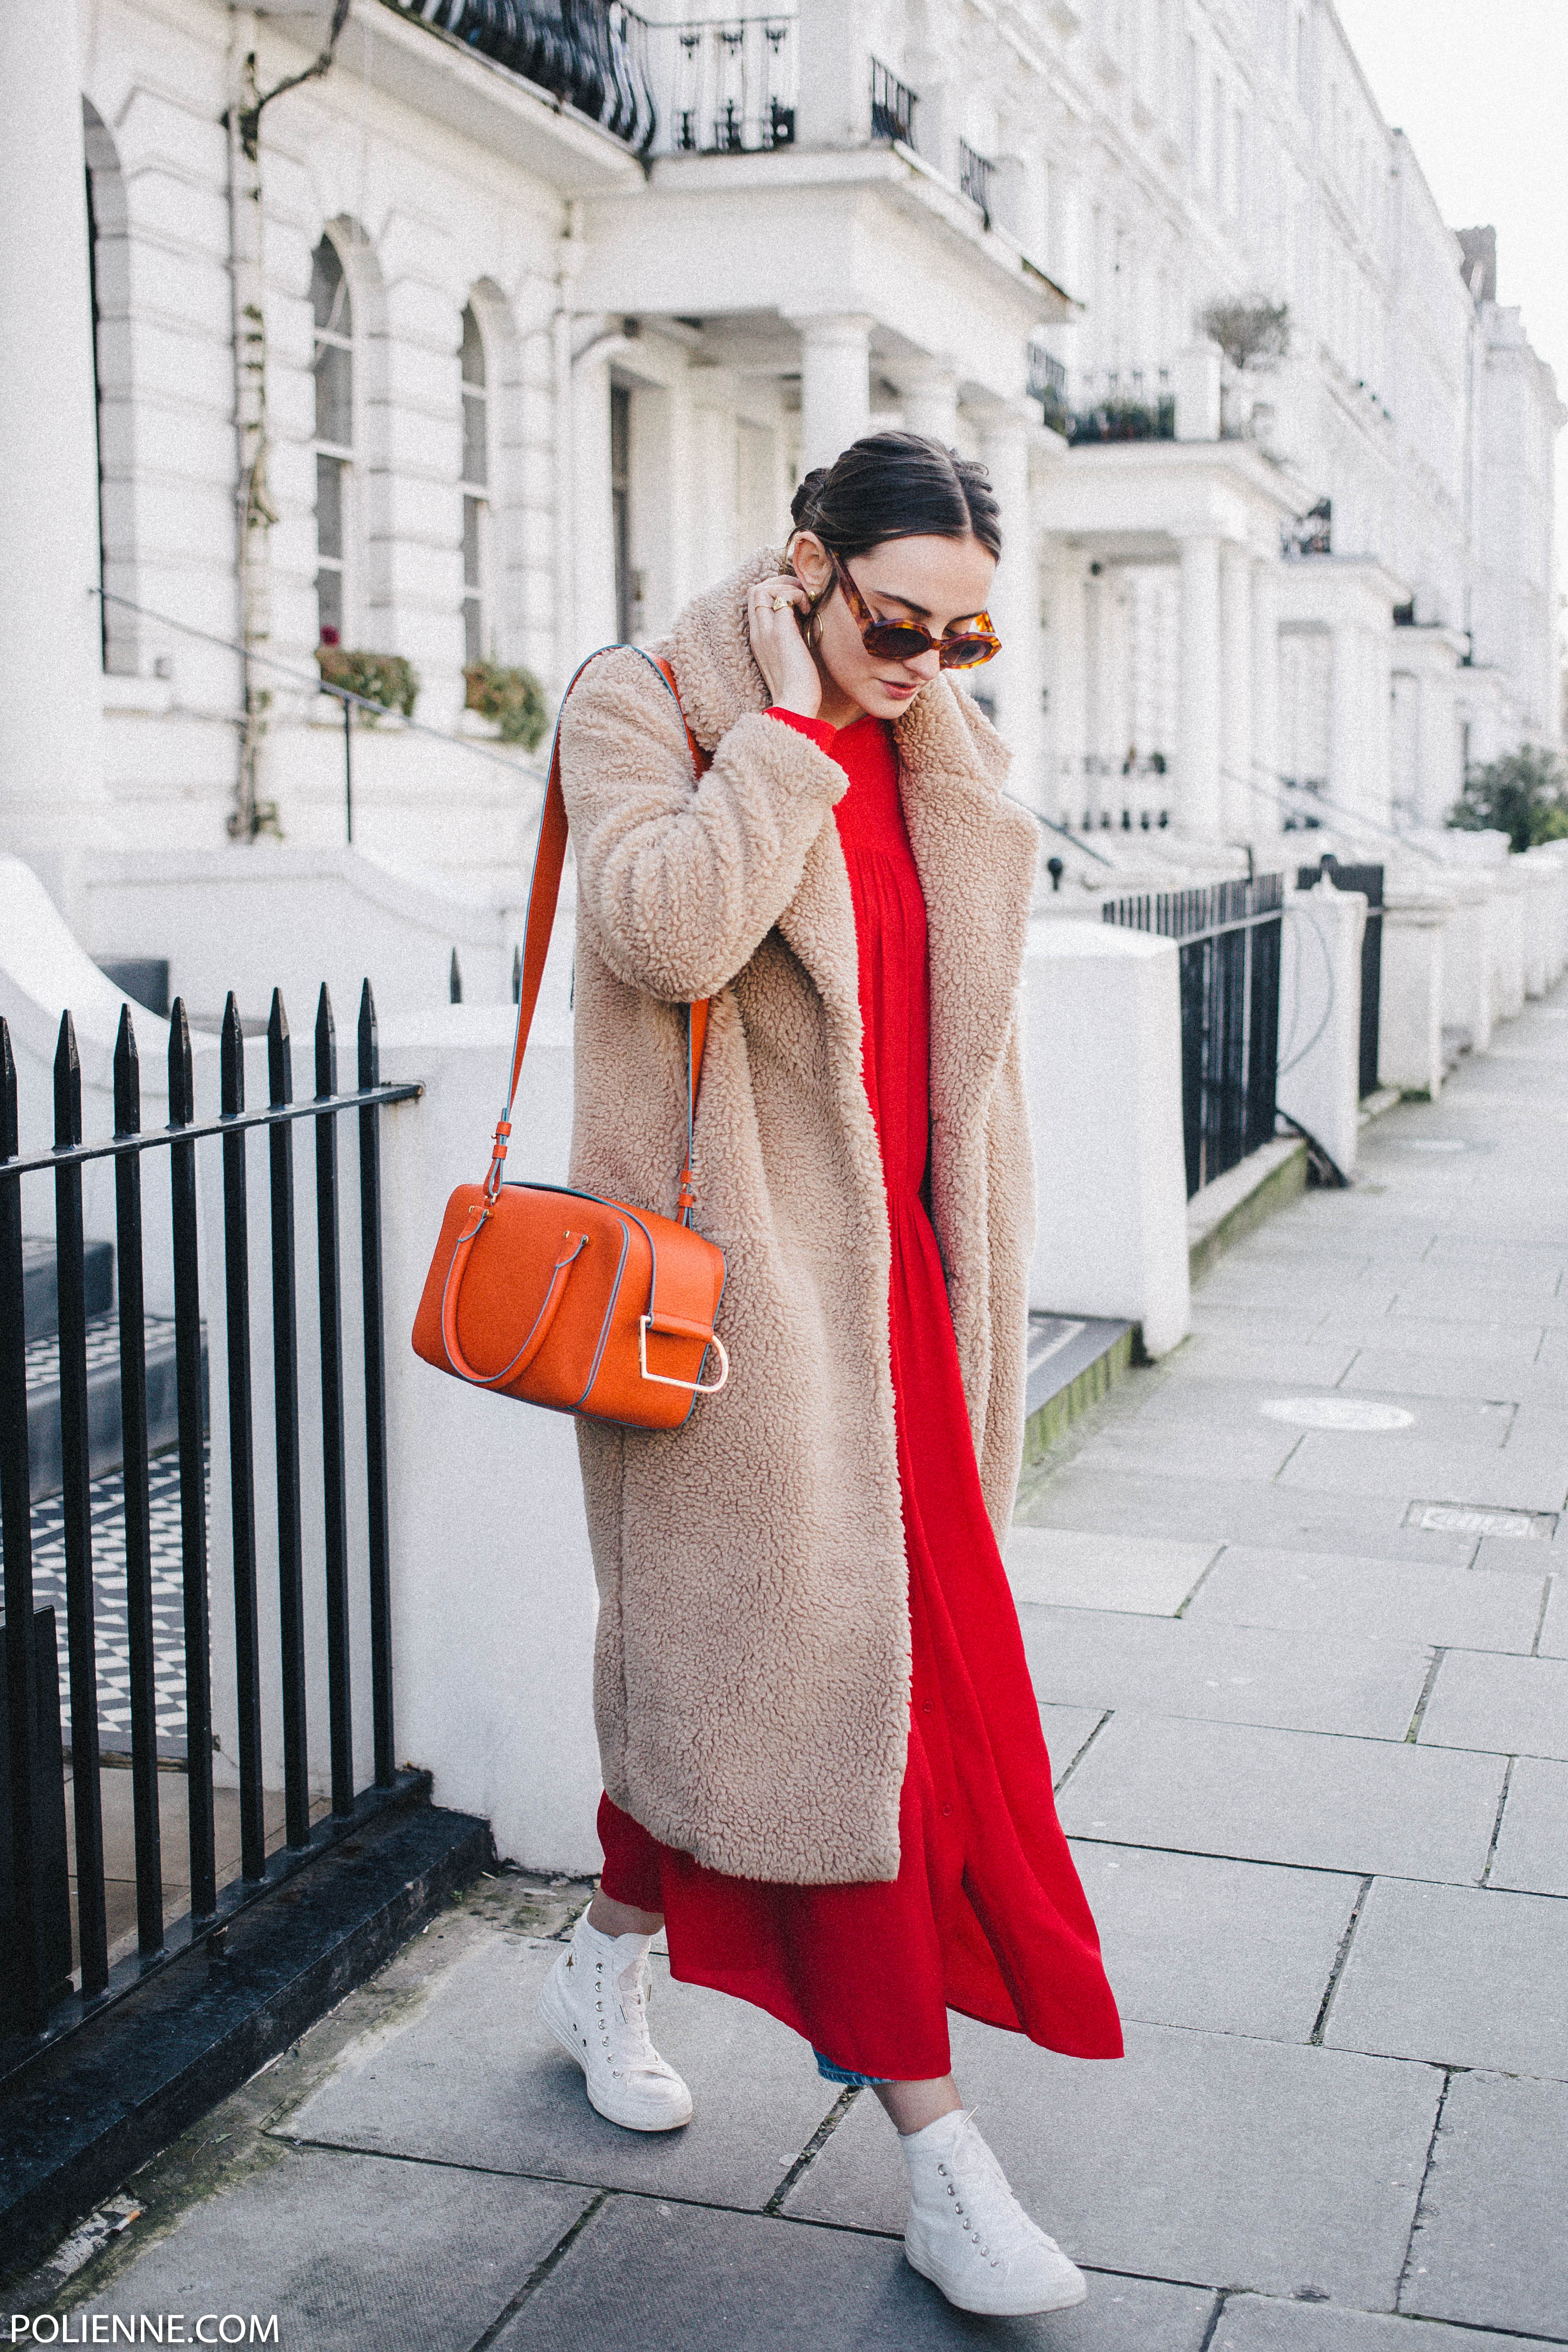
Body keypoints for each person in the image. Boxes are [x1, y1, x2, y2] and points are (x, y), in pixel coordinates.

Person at [536, 430, 1122, 2318]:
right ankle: (939, 2158)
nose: (929, 667)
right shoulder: (644, 706)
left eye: (970, 639)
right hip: (749, 1319)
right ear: (806, 566)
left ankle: (600, 1951)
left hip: (913, 1306)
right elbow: (664, 930)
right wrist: (786, 730)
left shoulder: (936, 746)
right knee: (836, 1713)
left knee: (821, 1699)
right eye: (898, 622)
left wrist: (892, 715)